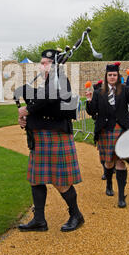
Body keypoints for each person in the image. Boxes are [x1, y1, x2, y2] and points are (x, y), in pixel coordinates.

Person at [17, 49, 84, 233]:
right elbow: (44, 107)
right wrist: (25, 119)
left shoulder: (60, 80)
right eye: (42, 62)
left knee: (60, 181)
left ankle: (76, 215)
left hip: (56, 136)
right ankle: (39, 220)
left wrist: (28, 110)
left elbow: (48, 99)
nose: (42, 65)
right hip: (41, 137)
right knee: (36, 179)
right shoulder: (47, 82)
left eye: (46, 62)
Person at [85, 62, 129, 208]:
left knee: (121, 161)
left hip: (122, 129)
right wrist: (89, 100)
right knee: (109, 162)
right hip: (105, 130)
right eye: (110, 75)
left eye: (114, 75)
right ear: (106, 76)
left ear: (118, 76)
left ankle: (121, 196)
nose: (112, 77)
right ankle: (109, 183)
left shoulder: (125, 89)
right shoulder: (99, 92)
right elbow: (92, 112)